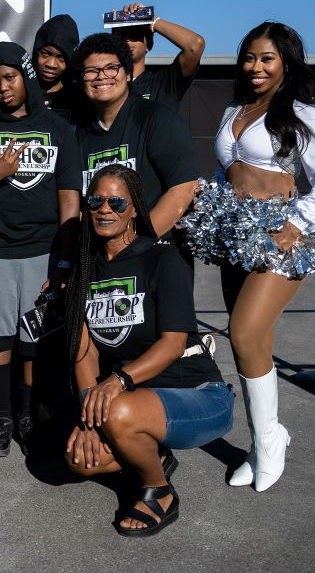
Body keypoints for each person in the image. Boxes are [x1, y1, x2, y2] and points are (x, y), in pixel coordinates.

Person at [179, 21, 315, 491]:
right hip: (236, 233)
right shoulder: (236, 108)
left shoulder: (301, 112)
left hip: (282, 235)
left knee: (243, 331)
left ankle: (270, 440)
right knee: (250, 342)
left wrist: (297, 222)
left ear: (286, 63)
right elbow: (227, 169)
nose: (255, 67)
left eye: (267, 59)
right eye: (250, 58)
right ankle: (262, 442)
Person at [64, 164, 233, 536]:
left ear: (135, 209)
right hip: (136, 397)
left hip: (196, 394)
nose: (104, 208)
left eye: (116, 201)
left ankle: (158, 490)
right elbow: (84, 349)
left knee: (118, 411)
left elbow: (173, 344)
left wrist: (117, 383)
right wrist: (89, 411)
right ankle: (151, 454)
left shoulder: (161, 259)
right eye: (96, 200)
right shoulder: (87, 267)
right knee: (79, 459)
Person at [0, 42, 81, 456]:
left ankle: (27, 414)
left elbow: (68, 197)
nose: (2, 88)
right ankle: (1, 418)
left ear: (25, 77)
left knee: (32, 341)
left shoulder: (57, 127)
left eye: (9, 78)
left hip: (42, 252)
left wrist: (65, 257)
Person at [74, 33, 199, 238]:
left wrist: (134, 241)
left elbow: (184, 188)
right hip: (103, 261)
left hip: (155, 256)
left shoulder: (157, 118)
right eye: (91, 71)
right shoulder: (80, 134)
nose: (101, 76)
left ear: (129, 74)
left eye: (112, 68)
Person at [108, 3, 205, 107]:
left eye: (135, 34)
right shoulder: (103, 84)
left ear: (148, 45)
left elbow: (195, 45)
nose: (127, 39)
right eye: (121, 34)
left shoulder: (164, 83)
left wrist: (152, 20)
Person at [32, 14, 82, 121]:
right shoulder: (23, 92)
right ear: (36, 53)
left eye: (61, 58)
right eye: (46, 54)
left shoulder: (81, 96)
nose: (51, 64)